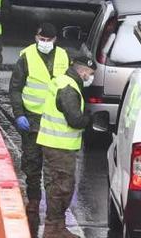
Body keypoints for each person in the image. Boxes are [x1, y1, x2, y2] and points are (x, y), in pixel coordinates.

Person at [9, 22, 69, 235]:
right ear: (36, 37)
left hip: (55, 122)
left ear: (55, 40)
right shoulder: (26, 57)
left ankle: (55, 213)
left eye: (48, 40)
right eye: (41, 40)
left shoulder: (63, 56)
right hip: (32, 121)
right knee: (32, 163)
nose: (44, 43)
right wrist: (19, 114)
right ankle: (34, 200)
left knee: (55, 169)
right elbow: (15, 88)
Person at [37, 54, 95, 237]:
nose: (90, 78)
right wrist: (90, 118)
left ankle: (58, 227)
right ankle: (53, 229)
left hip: (57, 145)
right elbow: (75, 120)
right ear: (83, 70)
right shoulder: (69, 88)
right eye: (90, 73)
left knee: (61, 186)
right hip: (58, 147)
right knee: (60, 187)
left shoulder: (64, 81)